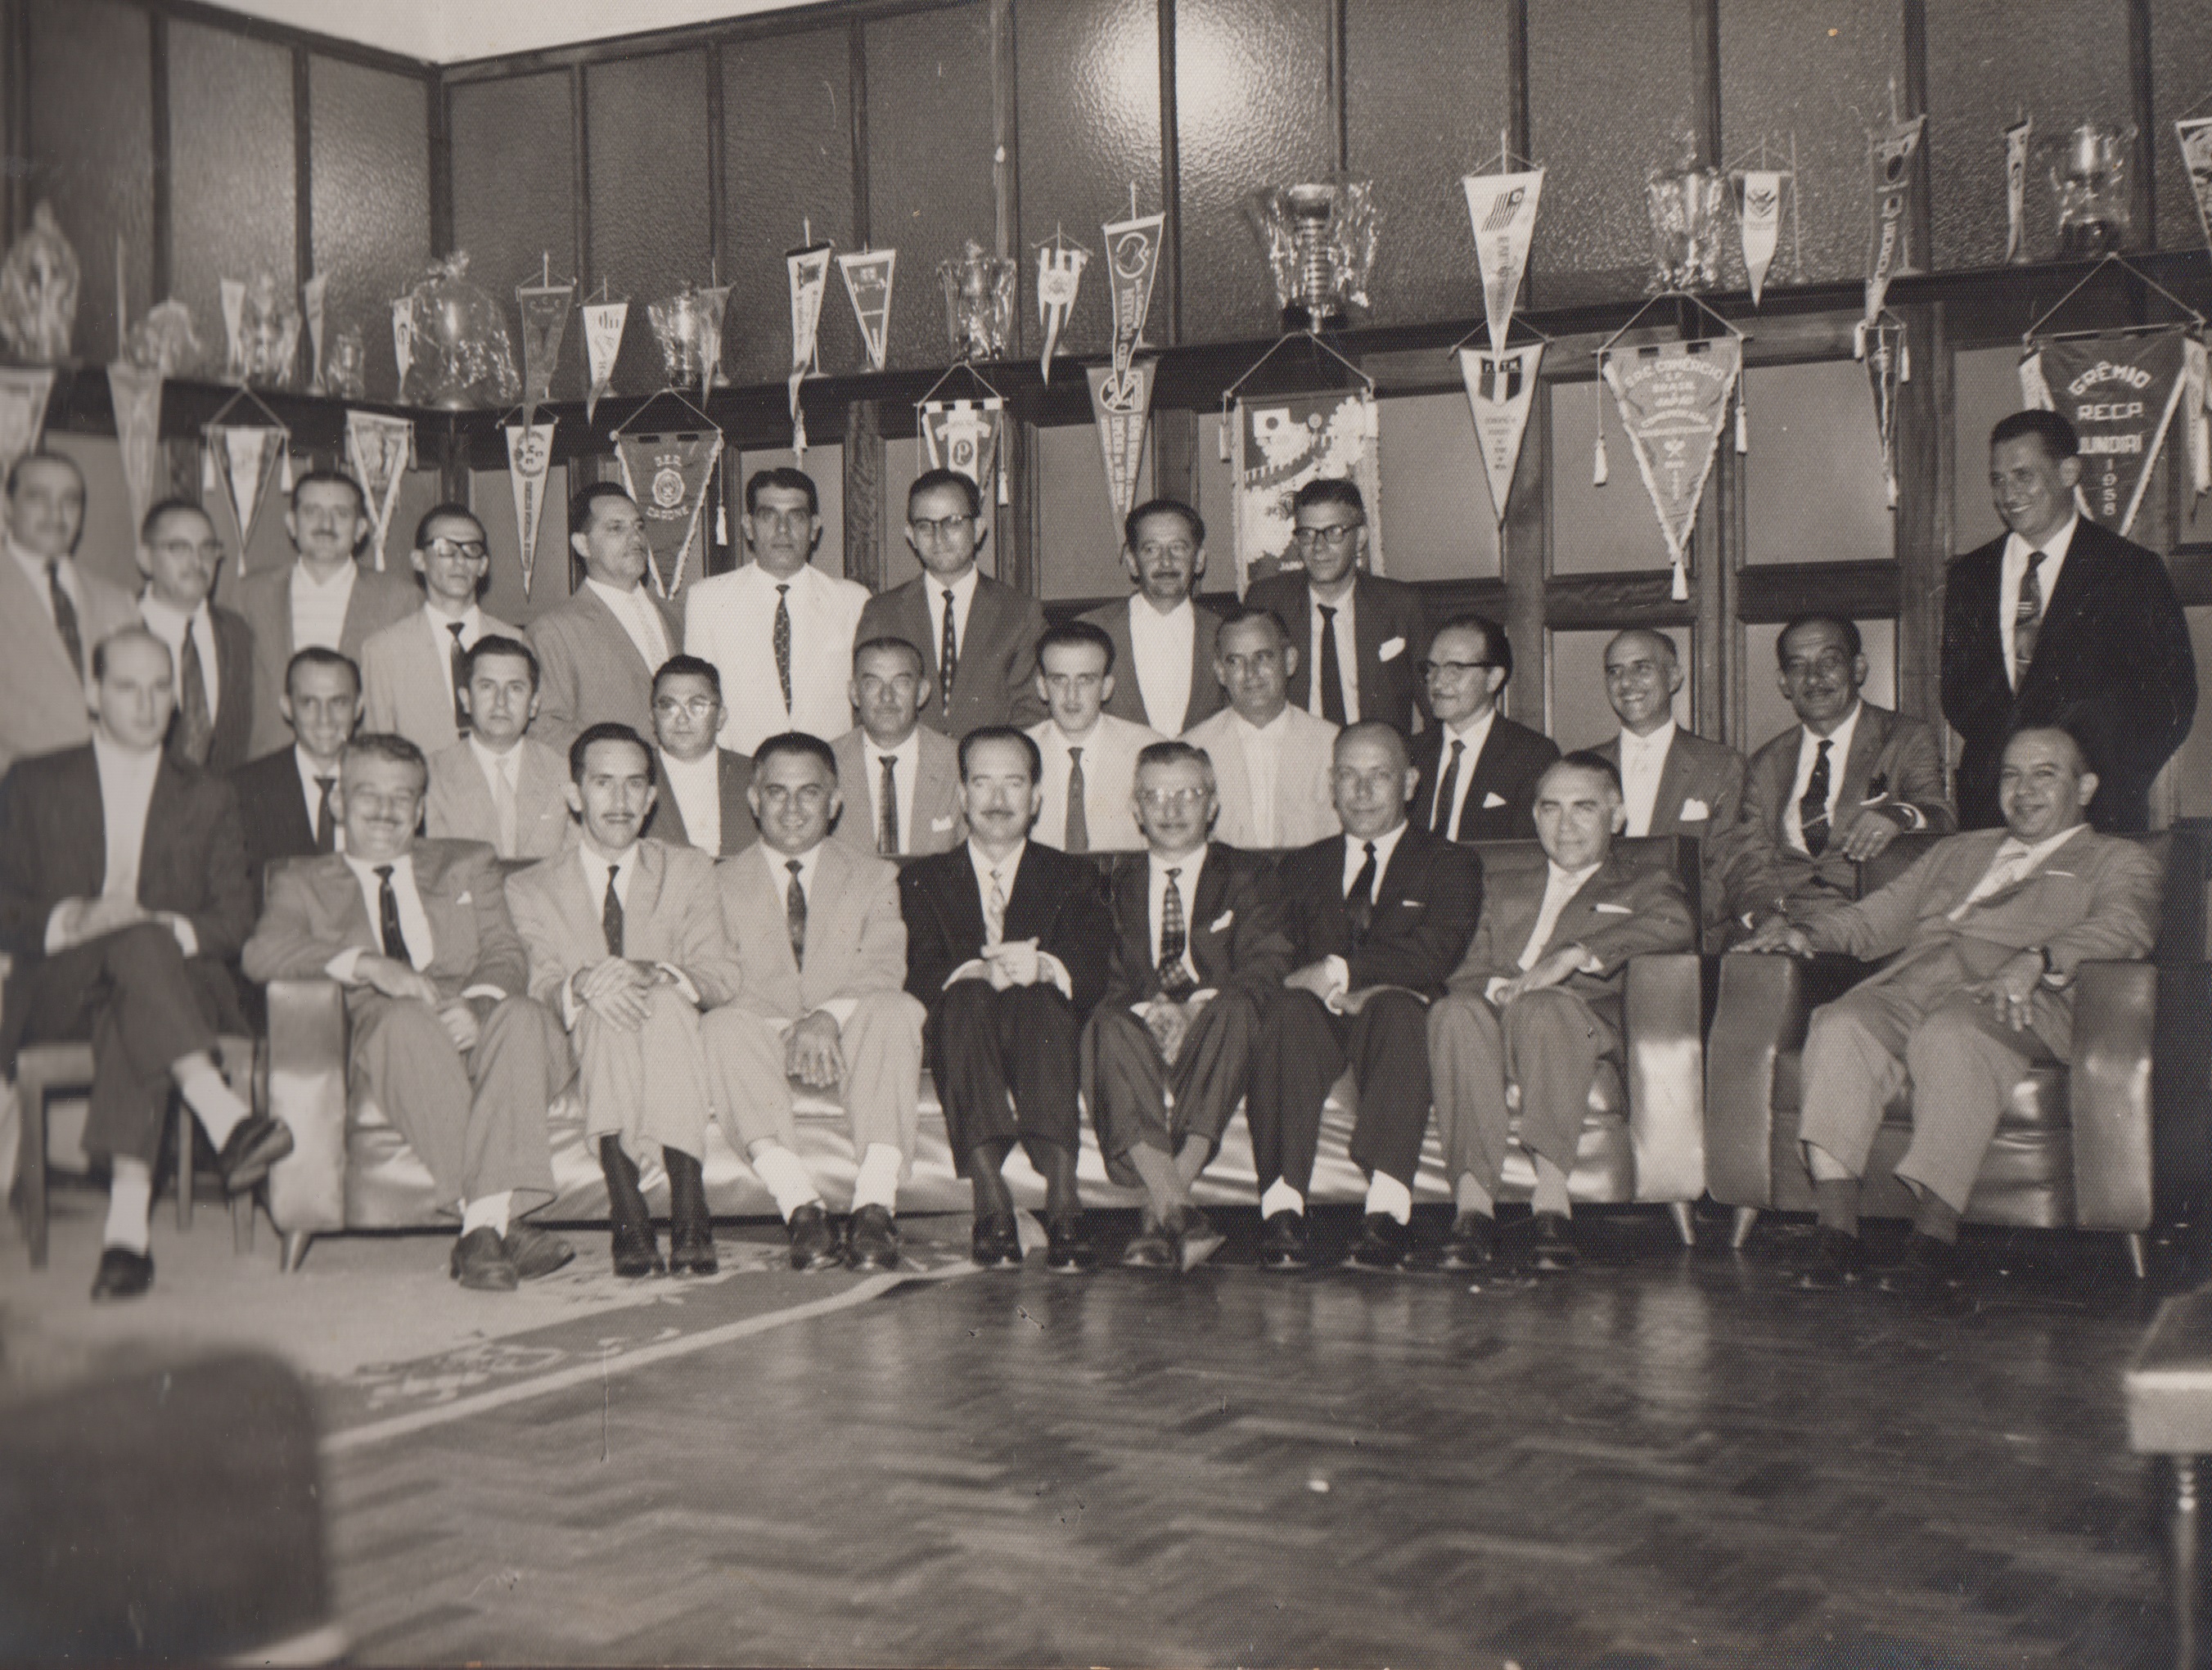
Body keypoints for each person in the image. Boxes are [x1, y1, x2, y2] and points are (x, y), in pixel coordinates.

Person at [1744, 727, 2161, 1298]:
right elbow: (1870, 919)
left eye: (2045, 773)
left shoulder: (2117, 858)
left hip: (2015, 999)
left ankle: (1931, 1241)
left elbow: (2126, 926)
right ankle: (1837, 1234)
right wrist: (1799, 932)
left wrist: (2038, 958)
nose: (2023, 789)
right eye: (2010, 774)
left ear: (2084, 786)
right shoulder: (1957, 850)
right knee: (1841, 1021)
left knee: (1951, 1033)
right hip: (1913, 983)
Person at [0, 628, 282, 1300]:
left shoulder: (209, 794)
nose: (148, 701)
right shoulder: (35, 782)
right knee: (136, 959)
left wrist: (150, 927)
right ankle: (219, 1113)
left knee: (140, 963)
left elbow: (234, 921)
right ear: (94, 693)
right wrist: (71, 917)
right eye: (129, 686)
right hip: (59, 988)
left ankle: (128, 1236)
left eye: (162, 687)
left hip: (171, 989)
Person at [242, 732, 575, 1293]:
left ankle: (481, 1231)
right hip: (388, 1030)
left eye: (402, 797)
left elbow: (504, 950)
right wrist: (368, 964)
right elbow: (261, 953)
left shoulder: (466, 861)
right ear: (339, 802)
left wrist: (477, 1004)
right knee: (403, 1020)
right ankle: (495, 1224)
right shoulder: (301, 880)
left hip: (479, 1019)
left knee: (522, 1016)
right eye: (368, 794)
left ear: (420, 808)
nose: (386, 810)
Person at [1426, 754, 1695, 1274]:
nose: (1565, 826)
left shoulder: (1644, 882)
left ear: (1616, 816)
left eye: (1584, 809)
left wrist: (1574, 954)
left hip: (1577, 1022)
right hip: (1494, 1019)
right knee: (1454, 1012)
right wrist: (1502, 990)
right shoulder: (1498, 885)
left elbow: (1675, 922)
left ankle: (1552, 1203)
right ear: (1534, 817)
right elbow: (1464, 967)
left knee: (1546, 1007)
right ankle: (1472, 1208)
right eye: (1550, 810)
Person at [505, 724, 741, 1279]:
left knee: (657, 1001)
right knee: (606, 1008)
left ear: (652, 798)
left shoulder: (688, 868)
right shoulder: (530, 886)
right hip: (579, 1037)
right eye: (602, 783)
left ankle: (681, 1209)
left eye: (634, 785)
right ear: (573, 794)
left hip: (670, 1027)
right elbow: (539, 984)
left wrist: (653, 970)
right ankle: (633, 1207)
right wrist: (585, 981)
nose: (619, 801)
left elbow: (720, 973)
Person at [1248, 721, 1484, 1270]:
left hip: (1395, 1008)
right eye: (1348, 776)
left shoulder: (1448, 861)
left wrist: (1343, 972)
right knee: (1285, 1011)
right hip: (1317, 1016)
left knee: (1399, 1009)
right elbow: (1280, 952)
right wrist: (1326, 989)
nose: (1361, 791)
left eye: (1379, 776)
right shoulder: (1302, 865)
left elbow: (1435, 951)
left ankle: (1386, 1212)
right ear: (1331, 783)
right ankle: (1281, 1210)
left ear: (1409, 783)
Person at [702, 733, 928, 1272]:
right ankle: (800, 1206)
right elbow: (719, 974)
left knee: (897, 1009)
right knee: (719, 1024)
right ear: (754, 800)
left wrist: (826, 1017)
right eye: (777, 792)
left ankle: (875, 1206)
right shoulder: (717, 882)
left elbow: (882, 964)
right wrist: (790, 1026)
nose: (793, 808)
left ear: (834, 800)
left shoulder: (874, 876)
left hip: (848, 1033)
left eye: (809, 793)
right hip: (761, 1037)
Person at [899, 727, 1115, 1271]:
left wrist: (1045, 965)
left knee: (1041, 997)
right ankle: (990, 1199)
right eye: (983, 783)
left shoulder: (1073, 874)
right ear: (963, 795)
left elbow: (1093, 967)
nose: (997, 800)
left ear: (1037, 796)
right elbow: (913, 970)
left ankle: (1064, 1199)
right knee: (968, 995)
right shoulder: (921, 879)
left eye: (1013, 783)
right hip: (957, 1026)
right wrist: (977, 969)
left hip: (1040, 1024)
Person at [1083, 742, 1290, 1270]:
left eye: (1187, 795)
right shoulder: (1109, 881)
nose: (1171, 810)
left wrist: (1197, 1006)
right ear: (1135, 810)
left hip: (1219, 1022)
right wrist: (1149, 1007)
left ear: (1212, 805)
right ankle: (1181, 1209)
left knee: (1236, 1006)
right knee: (1107, 1024)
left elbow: (1267, 965)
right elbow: (1098, 975)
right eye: (1155, 796)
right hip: (1140, 1024)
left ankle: (1162, 1208)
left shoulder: (1252, 874)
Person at [1943, 407, 2196, 833]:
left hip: (2094, 817)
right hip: (1991, 815)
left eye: (2023, 475)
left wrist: (2102, 785)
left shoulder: (2130, 570)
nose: (2008, 494)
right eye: (1998, 480)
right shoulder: (1970, 574)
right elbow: (1958, 694)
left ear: (2068, 472)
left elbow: (2170, 701)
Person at [1735, 616, 1954, 934]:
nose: (1814, 678)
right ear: (1783, 682)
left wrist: (1899, 814)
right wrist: (1768, 920)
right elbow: (1749, 862)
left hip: (1870, 922)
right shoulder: (1765, 764)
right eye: (1798, 667)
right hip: (1786, 922)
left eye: (1830, 661)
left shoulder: (1904, 738)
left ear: (1859, 668)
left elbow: (1942, 815)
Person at [683, 467, 871, 754]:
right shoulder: (707, 599)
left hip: (829, 769)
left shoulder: (851, 601)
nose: (783, 529)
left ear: (815, 527)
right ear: (748, 525)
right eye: (769, 515)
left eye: (796, 516)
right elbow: (698, 699)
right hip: (743, 772)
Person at [854, 469, 1047, 738]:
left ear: (978, 528)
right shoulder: (882, 613)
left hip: (990, 773)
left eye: (952, 522)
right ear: (910, 534)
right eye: (925, 525)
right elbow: (865, 710)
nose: (938, 535)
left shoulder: (1019, 613)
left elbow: (1032, 712)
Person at [239, 470, 417, 758]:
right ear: (292, 524)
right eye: (312, 511)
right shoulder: (249, 595)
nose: (326, 524)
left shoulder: (400, 601)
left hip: (364, 767)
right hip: (269, 767)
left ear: (361, 529)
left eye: (341, 513)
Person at [1588, 628, 1745, 940]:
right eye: (1615, 672)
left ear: (1673, 678)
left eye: (1642, 668)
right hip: (1596, 931)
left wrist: (1655, 923)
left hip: (1686, 939)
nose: (1627, 683)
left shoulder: (1721, 765)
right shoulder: (1584, 768)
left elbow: (1730, 870)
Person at [1243, 479, 1426, 733]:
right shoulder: (1268, 601)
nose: (1319, 548)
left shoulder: (1399, 604)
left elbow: (1435, 706)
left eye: (1334, 532)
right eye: (1307, 534)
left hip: (1374, 761)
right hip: (1296, 761)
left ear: (1360, 537)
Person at [0, 451, 140, 772]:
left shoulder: (117, 600)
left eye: (70, 500)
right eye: (38, 498)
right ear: (7, 507)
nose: (56, 512)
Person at [527, 482, 683, 758]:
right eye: (616, 528)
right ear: (583, 544)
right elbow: (547, 731)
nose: (635, 538)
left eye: (638, 527)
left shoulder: (675, 616)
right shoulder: (554, 630)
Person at [360, 505, 515, 758]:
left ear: (483, 565)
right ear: (419, 560)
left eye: (472, 550)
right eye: (445, 548)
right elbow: (379, 752)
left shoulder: (514, 642)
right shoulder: (383, 650)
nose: (460, 560)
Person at [1182, 605, 1341, 849]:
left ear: (1289, 661)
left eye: (1263, 657)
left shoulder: (1332, 744)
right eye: (1235, 662)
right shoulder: (1191, 750)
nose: (1250, 673)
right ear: (1221, 672)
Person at [1075, 497, 1226, 736]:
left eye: (1178, 547)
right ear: (1133, 562)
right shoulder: (1090, 631)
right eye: (1151, 549)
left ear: (1199, 561)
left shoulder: (1224, 634)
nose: (1166, 562)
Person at [1409, 614, 1558, 843]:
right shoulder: (1411, 752)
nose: (1437, 682)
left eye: (1455, 669)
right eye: (1432, 668)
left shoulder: (1532, 755)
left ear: (1493, 679)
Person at [232, 648, 362, 909]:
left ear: (359, 707)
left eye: (338, 702)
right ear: (287, 707)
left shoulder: (382, 783)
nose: (325, 720)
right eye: (309, 703)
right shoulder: (243, 790)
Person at [424, 637, 573, 862]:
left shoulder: (563, 773)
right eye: (487, 686)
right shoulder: (431, 775)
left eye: (515, 688)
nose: (500, 701)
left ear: (534, 704)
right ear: (466, 700)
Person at [1024, 621, 1165, 853]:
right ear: (1042, 687)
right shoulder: (1021, 753)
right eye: (1059, 680)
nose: (1072, 695)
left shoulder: (1148, 750)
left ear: (1106, 687)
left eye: (1085, 680)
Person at [135, 499, 253, 772]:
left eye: (207, 548)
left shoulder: (237, 632)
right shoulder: (118, 626)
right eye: (179, 548)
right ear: (145, 557)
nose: (197, 561)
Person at [829, 637, 965, 859]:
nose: (887, 696)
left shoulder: (957, 763)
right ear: (854, 693)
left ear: (921, 692)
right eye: (872, 683)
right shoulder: (825, 764)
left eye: (901, 683)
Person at [642, 655, 755, 857]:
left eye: (697, 706)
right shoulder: (636, 774)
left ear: (720, 717)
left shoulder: (753, 774)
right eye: (668, 706)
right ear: (653, 718)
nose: (683, 719)